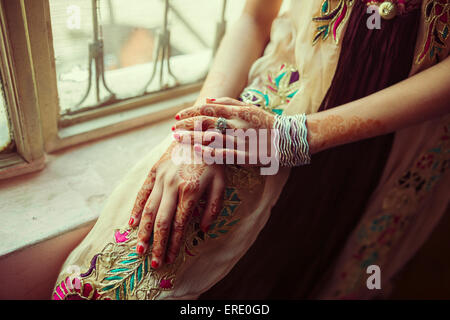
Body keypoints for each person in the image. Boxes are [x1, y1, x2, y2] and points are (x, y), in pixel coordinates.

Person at [52, 0, 449, 300]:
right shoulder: (227, 139)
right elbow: (255, 16)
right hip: (264, 122)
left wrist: (294, 138)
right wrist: (198, 137)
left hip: (399, 150)